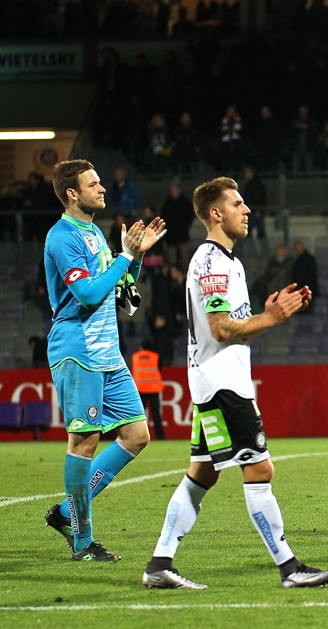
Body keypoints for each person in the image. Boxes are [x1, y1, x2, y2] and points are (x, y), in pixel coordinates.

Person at [142, 176, 328, 589]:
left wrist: (263, 315)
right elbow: (219, 328)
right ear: (216, 214)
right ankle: (289, 568)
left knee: (203, 472)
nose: (247, 210)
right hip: (223, 385)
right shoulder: (212, 260)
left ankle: (159, 563)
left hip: (215, 380)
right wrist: (273, 318)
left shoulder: (229, 261)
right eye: (237, 204)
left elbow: (236, 326)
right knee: (259, 468)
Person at [42, 159, 166, 562]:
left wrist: (135, 258)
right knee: (85, 441)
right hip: (77, 351)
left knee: (136, 436)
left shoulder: (94, 232)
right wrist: (122, 257)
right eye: (93, 184)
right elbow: (90, 295)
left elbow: (119, 293)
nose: (103, 189)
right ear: (72, 193)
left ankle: (66, 512)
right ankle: (82, 542)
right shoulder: (62, 237)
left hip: (108, 352)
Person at [132, 339, 165, 440]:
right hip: (153, 389)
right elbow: (160, 369)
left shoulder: (135, 357)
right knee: (156, 415)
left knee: (140, 416)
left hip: (140, 390)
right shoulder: (156, 357)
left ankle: (139, 437)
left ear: (141, 347)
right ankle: (160, 437)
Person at [159, 179, 196, 268]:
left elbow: (190, 216)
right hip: (170, 237)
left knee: (185, 259)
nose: (173, 192)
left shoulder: (185, 203)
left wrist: (184, 227)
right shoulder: (167, 204)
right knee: (172, 261)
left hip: (182, 235)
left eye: (175, 189)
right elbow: (164, 217)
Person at [291, 241, 319, 314]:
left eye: (299, 248)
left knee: (308, 313)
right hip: (299, 292)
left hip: (308, 291)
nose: (298, 251)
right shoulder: (296, 261)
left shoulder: (309, 260)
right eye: (296, 249)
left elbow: (311, 277)